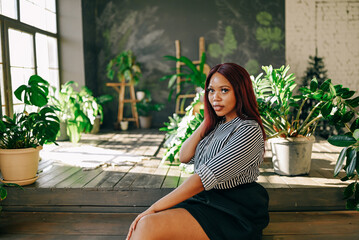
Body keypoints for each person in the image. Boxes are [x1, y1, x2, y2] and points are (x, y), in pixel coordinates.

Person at [126, 63, 269, 240]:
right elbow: (184, 156)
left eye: (224, 90)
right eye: (211, 91)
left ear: (240, 91)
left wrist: (154, 207)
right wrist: (208, 120)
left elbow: (202, 180)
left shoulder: (247, 129)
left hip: (232, 210)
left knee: (147, 223)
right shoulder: (217, 126)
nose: (215, 97)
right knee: (146, 224)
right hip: (205, 201)